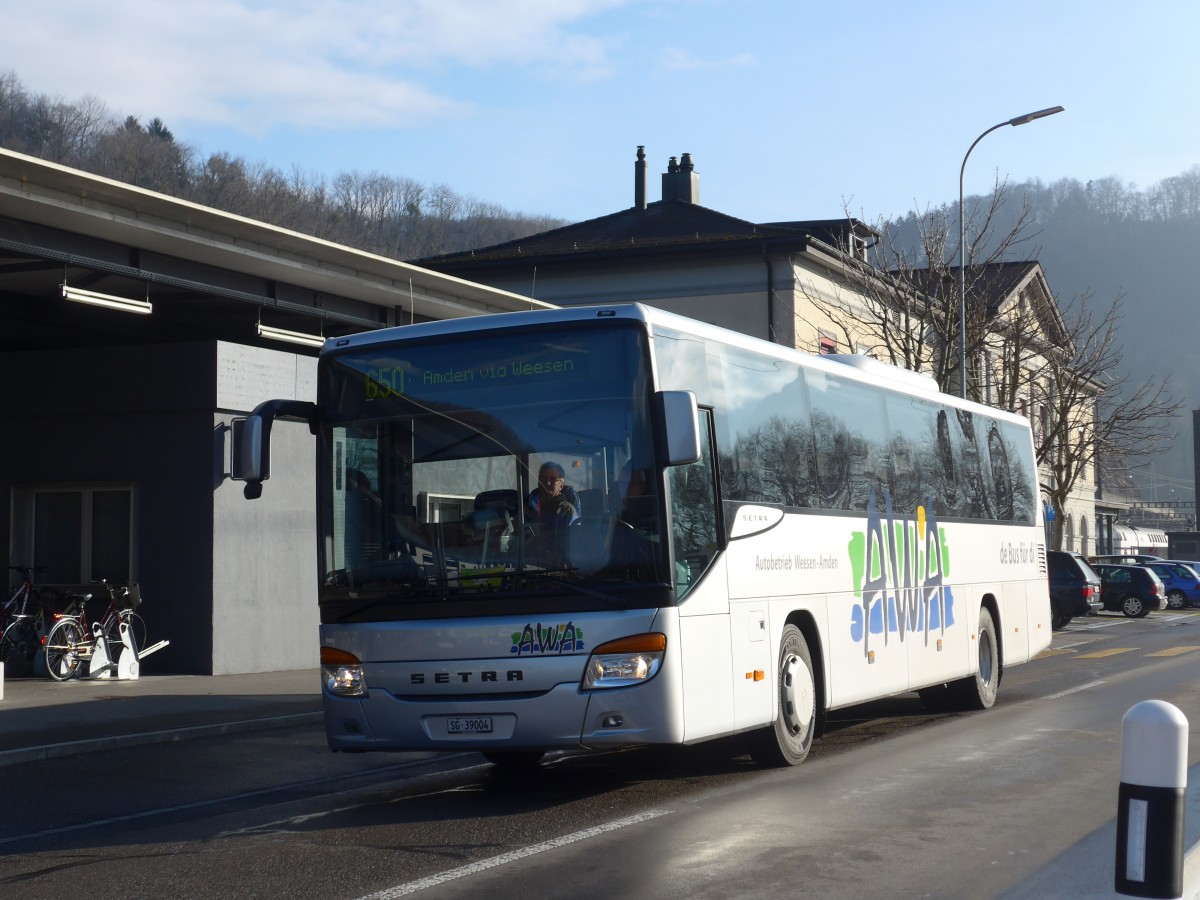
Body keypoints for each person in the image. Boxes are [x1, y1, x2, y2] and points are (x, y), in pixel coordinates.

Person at [527, 461, 581, 530]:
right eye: (543, 479)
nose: (548, 483)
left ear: (561, 485)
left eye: (553, 479)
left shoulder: (567, 510)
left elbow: (576, 534)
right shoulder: (532, 504)